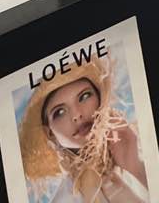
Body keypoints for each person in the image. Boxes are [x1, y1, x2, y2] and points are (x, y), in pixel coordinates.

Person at [20, 57, 151, 202]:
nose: (77, 114)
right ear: (50, 133)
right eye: (60, 112)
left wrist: (134, 166)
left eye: (84, 96)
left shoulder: (146, 149)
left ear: (100, 99)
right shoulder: (64, 199)